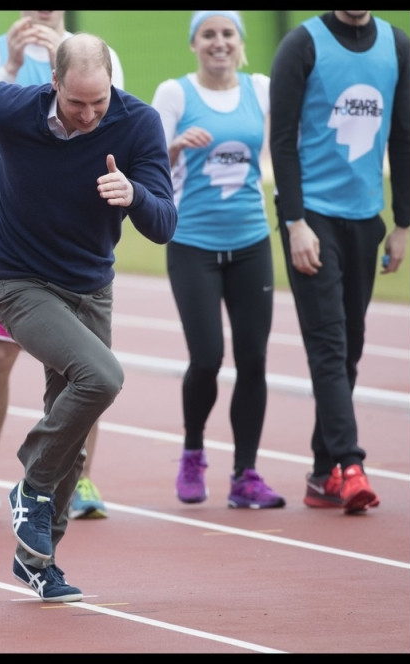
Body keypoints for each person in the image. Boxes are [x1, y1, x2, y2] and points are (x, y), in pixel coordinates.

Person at [0, 33, 176, 602]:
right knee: (102, 377)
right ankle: (30, 482)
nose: (88, 115)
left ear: (112, 85)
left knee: (73, 436)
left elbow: (165, 224)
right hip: (19, 282)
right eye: (76, 102)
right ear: (53, 83)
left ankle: (38, 560)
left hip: (90, 289)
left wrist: (133, 196)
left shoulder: (137, 123)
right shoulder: (14, 107)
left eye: (99, 102)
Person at [0, 10, 125, 526]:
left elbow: (116, 129)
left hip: (76, 232)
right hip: (4, 228)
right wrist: (8, 66)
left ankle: (78, 468)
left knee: (88, 364)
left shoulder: (97, 56)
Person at [269, 11, 410, 514]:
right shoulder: (302, 44)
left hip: (366, 219)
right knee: (329, 344)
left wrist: (401, 223)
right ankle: (350, 466)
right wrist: (295, 221)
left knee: (350, 345)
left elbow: (404, 135)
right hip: (314, 221)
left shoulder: (397, 46)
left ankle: (321, 472)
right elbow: (282, 140)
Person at [150, 11, 284, 509]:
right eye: (209, 34)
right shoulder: (175, 94)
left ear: (240, 41)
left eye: (228, 33)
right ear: (194, 43)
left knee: (253, 359)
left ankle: (245, 474)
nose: (219, 42)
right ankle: (192, 454)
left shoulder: (262, 88)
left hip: (250, 241)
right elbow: (144, 161)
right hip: (193, 244)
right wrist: (175, 146)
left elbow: (289, 143)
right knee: (206, 359)